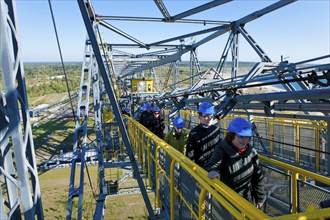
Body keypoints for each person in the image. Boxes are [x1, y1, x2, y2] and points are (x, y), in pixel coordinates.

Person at [204, 117, 265, 209]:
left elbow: (257, 178)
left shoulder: (252, 152)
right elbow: (210, 166)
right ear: (231, 135)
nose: (244, 140)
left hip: (246, 198)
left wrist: (259, 198)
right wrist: (214, 171)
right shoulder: (221, 150)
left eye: (247, 137)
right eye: (240, 136)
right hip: (226, 199)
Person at [185, 102, 221, 168]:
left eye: (211, 116)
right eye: (206, 116)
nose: (209, 119)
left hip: (215, 167)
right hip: (200, 168)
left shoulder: (216, 130)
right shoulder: (194, 133)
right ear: (199, 117)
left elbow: (221, 149)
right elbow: (190, 153)